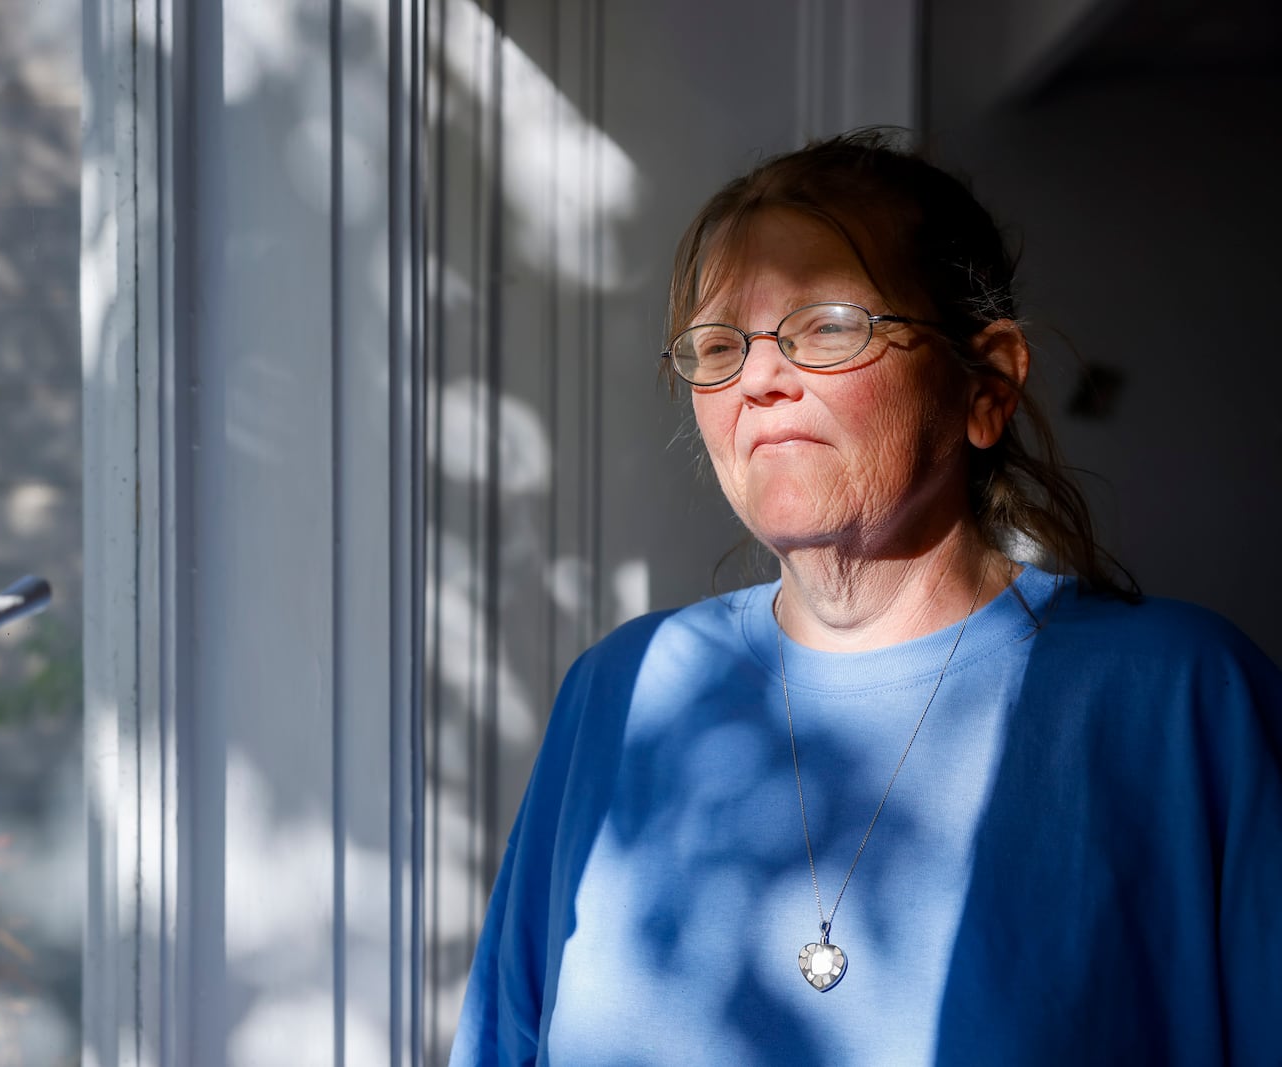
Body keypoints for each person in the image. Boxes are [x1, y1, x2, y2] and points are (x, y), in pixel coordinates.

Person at [448, 130, 1282, 1065]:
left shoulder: (1183, 700)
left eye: (830, 326)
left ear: (989, 386)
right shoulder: (621, 690)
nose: (760, 376)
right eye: (721, 344)